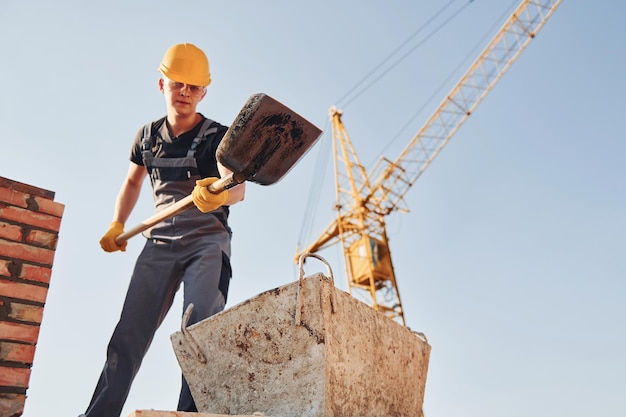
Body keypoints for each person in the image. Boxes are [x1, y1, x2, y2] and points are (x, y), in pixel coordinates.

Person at [81, 43, 245, 417]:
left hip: (206, 243)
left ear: (204, 91)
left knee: (198, 328)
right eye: (177, 84)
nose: (184, 93)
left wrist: (217, 197)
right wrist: (117, 223)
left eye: (192, 86)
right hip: (159, 244)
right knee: (128, 335)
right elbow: (133, 183)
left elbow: (238, 187)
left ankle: (190, 414)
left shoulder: (218, 136)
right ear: (162, 85)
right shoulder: (146, 137)